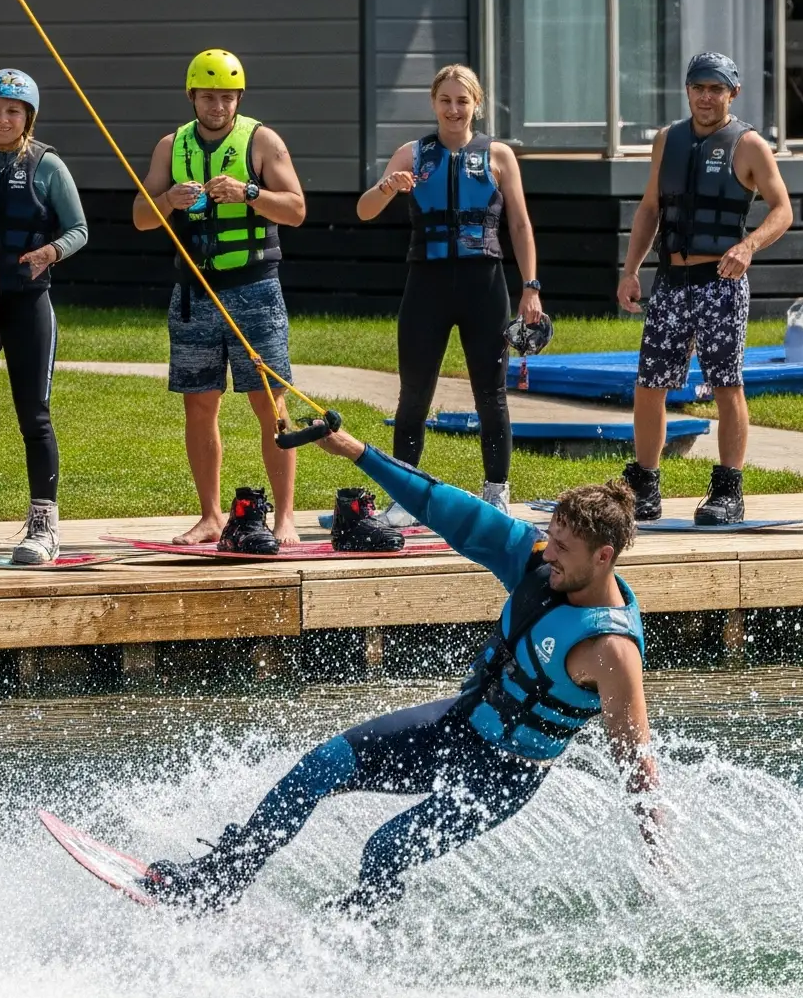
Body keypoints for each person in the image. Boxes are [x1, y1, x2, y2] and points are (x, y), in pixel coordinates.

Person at [139, 436, 654, 913]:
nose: (549, 553)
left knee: (384, 850)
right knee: (319, 768)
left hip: (504, 775)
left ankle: (353, 939)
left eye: (563, 547)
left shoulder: (611, 650)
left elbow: (636, 759)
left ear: (604, 557)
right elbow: (444, 506)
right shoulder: (538, 564)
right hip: (458, 728)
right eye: (551, 537)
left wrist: (657, 857)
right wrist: (355, 451)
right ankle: (217, 882)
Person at [135, 48, 307, 550]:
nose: (218, 106)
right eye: (208, 96)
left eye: (227, 97)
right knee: (199, 407)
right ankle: (210, 517)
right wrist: (168, 200)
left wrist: (250, 193)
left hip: (255, 290)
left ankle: (285, 519)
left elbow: (296, 209)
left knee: (270, 406)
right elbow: (142, 217)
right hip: (194, 295)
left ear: (238, 99)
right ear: (192, 96)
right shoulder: (171, 146)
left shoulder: (262, 141)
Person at [615, 52, 793, 528]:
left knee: (726, 384)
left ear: (732, 93)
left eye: (717, 88)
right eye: (699, 87)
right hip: (671, 282)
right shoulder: (667, 140)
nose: (707, 97)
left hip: (721, 283)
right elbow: (650, 208)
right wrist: (631, 270)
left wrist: (748, 246)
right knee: (649, 385)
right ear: (688, 90)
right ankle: (646, 484)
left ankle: (728, 489)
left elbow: (782, 210)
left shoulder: (749, 145)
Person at [358, 63, 542, 516]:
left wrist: (531, 287)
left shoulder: (499, 156)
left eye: (463, 101)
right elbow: (364, 211)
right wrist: (388, 186)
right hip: (427, 285)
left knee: (490, 394)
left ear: (476, 104)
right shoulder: (412, 154)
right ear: (434, 103)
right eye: (446, 100)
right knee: (414, 393)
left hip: (485, 285)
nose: (454, 109)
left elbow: (519, 223)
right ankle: (405, 496)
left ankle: (496, 492)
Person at [0, 68, 90, 565]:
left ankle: (43, 525)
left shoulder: (49, 166)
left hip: (28, 303)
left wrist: (50, 251)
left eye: (13, 111)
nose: (3, 119)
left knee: (34, 414)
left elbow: (80, 230)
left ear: (28, 116)